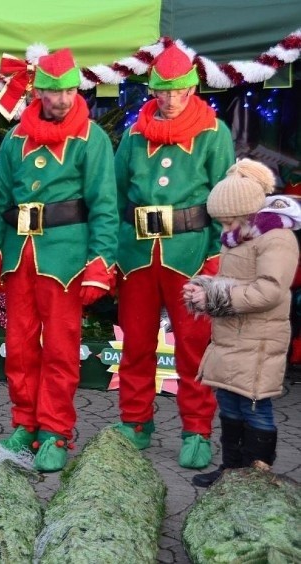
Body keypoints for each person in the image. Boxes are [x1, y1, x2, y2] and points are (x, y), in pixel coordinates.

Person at [0, 48, 118, 472]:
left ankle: (56, 429)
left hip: (66, 261)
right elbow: (1, 203)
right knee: (19, 348)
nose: (60, 100)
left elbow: (105, 207)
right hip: (21, 259)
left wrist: (100, 261)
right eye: (52, 92)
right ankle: (24, 422)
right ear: (37, 90)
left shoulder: (90, 138)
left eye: (67, 91)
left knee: (60, 348)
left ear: (78, 88)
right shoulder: (16, 139)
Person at [114, 44, 235, 469]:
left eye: (176, 91)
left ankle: (197, 429)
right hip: (137, 255)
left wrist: (219, 255)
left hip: (190, 254)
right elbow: (115, 196)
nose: (168, 100)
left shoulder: (213, 133)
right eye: (161, 91)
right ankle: (135, 421)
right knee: (137, 342)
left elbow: (224, 198)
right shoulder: (133, 133)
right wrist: (111, 253)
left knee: (193, 346)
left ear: (191, 88)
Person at [183, 159, 300, 487]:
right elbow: (230, 280)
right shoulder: (239, 239)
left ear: (249, 212)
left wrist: (217, 298)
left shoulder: (276, 239)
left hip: (259, 338)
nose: (224, 229)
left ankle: (257, 474)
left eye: (229, 221)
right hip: (231, 337)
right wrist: (203, 289)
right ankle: (232, 469)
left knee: (254, 407)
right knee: (229, 404)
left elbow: (270, 290)